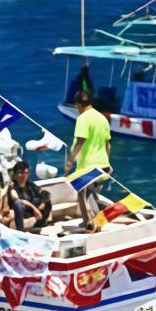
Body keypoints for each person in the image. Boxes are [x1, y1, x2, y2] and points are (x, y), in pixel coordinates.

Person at [66, 89, 111, 225]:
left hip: (88, 166)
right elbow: (108, 145)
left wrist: (69, 162)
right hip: (102, 164)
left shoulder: (83, 118)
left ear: (78, 104)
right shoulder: (102, 118)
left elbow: (80, 141)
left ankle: (87, 223)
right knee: (91, 192)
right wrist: (107, 161)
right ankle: (100, 218)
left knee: (81, 191)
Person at [9, 161, 51, 232]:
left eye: (26, 173)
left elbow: (44, 193)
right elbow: (17, 200)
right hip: (22, 213)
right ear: (15, 174)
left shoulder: (30, 185)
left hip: (33, 212)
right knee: (18, 204)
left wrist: (43, 202)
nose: (24, 175)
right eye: (21, 173)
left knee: (46, 199)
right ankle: (21, 229)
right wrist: (35, 209)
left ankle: (40, 223)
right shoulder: (12, 186)